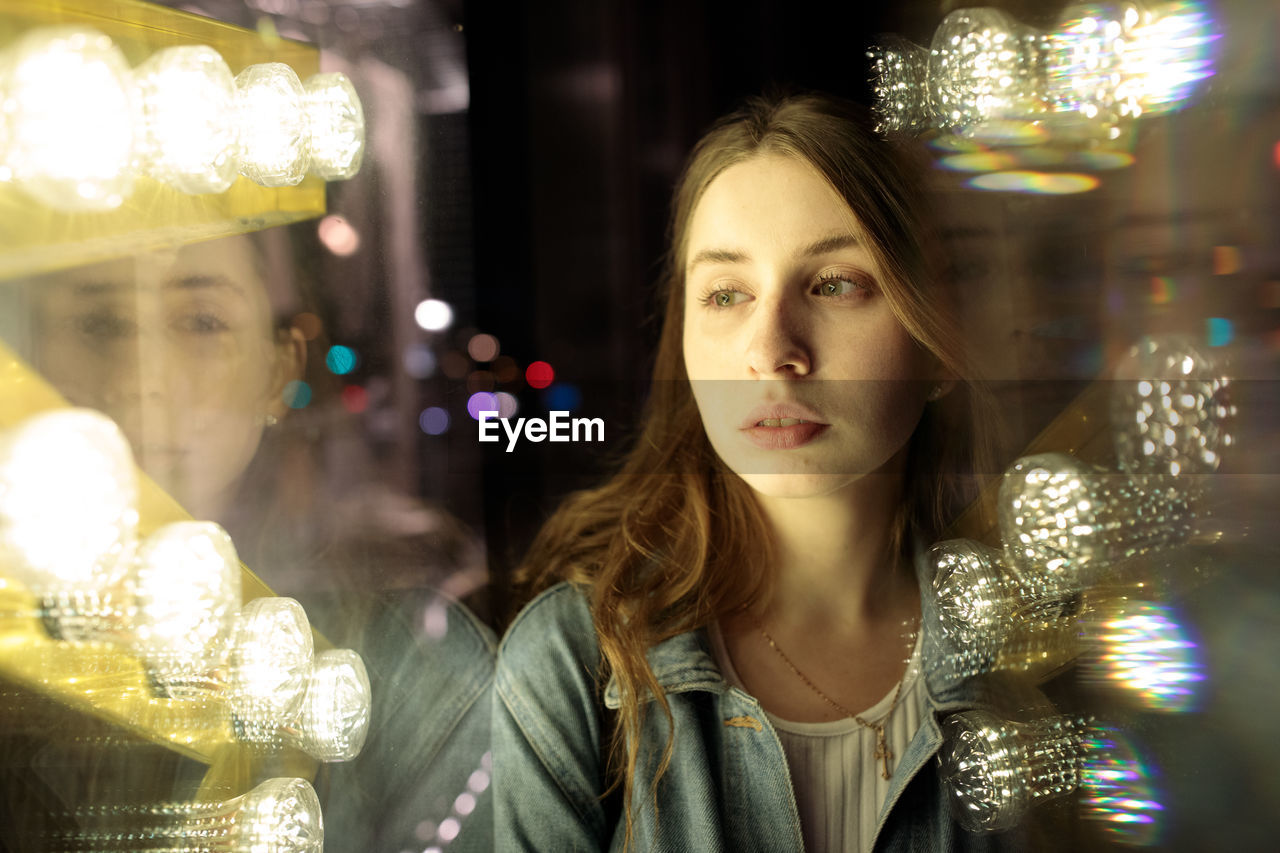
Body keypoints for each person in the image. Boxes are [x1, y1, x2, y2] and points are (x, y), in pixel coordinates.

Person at [492, 92, 1067, 851]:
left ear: (939, 343)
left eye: (834, 283)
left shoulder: (1040, 659)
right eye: (726, 294)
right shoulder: (573, 665)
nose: (771, 349)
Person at [6, 231, 496, 852]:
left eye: (203, 322)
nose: (144, 379)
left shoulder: (406, 677)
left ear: (278, 369)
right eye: (100, 322)